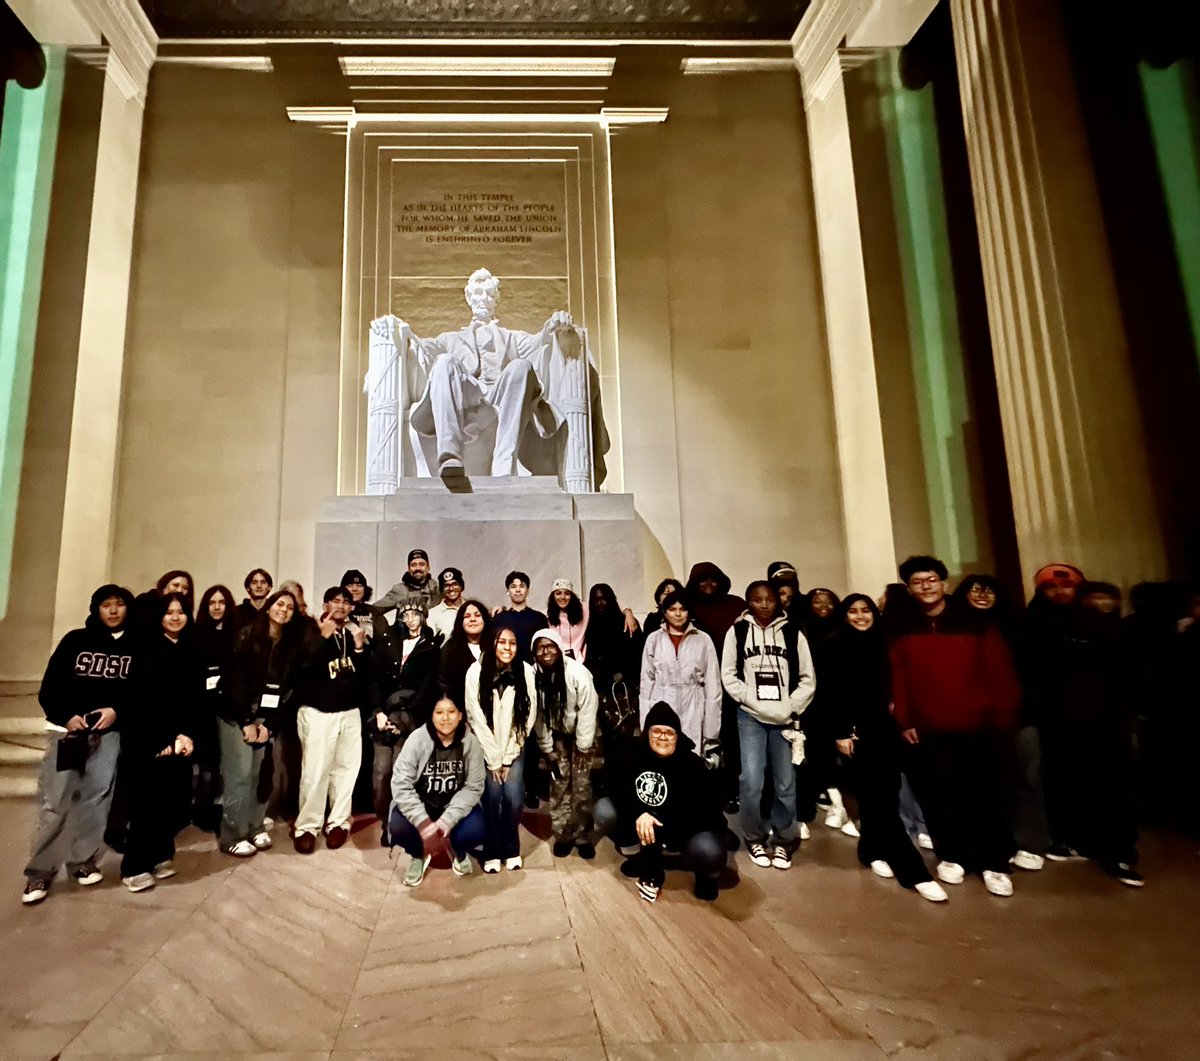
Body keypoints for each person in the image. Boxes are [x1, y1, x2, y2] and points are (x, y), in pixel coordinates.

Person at [394, 267, 607, 480]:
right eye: (478, 293)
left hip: (505, 396)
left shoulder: (513, 338)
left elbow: (540, 342)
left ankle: (505, 460)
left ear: (496, 300)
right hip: (468, 396)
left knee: (521, 366)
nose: (483, 299)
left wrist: (554, 325)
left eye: (489, 294)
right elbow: (422, 347)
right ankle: (450, 455)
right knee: (444, 361)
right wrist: (401, 332)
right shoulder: (450, 339)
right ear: (469, 299)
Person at [889, 555, 1022, 897]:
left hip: (981, 728)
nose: (926, 586)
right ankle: (953, 855)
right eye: (918, 582)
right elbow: (899, 678)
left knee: (987, 797)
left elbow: (1001, 675)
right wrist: (904, 719)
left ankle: (994, 863)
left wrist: (1002, 720)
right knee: (940, 795)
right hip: (931, 729)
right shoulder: (904, 627)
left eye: (931, 579)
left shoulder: (977, 624)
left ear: (944, 584)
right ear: (908, 588)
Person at [825, 594, 947, 902]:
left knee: (885, 793)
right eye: (852, 611)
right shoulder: (835, 645)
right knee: (877, 798)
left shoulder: (887, 642)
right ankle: (914, 871)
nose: (860, 616)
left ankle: (870, 851)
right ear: (844, 616)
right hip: (856, 733)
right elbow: (831, 693)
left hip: (887, 729)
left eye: (865, 610)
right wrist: (840, 732)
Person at [22, 585, 138, 905]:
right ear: (96, 609)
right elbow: (50, 687)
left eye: (119, 605)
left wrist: (117, 711)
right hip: (66, 733)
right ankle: (39, 873)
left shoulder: (137, 646)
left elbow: (139, 692)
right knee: (55, 804)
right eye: (106, 605)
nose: (113, 611)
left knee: (97, 799)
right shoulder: (76, 640)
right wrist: (66, 716)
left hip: (109, 735)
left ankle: (82, 861)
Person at [1036, 581, 1143, 885]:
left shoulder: (1125, 634)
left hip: (1111, 724)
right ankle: (1077, 841)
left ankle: (1119, 853)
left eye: (1108, 598)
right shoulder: (1060, 631)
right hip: (1067, 723)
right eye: (1094, 598)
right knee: (1070, 785)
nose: (1101, 603)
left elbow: (1135, 679)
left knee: (1115, 790)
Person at [956, 573, 1048, 873]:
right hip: (971, 719)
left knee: (1026, 778)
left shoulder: (1018, 627)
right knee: (979, 783)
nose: (982, 596)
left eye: (989, 591)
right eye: (975, 590)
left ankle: (1029, 841)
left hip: (1020, 715)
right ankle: (988, 840)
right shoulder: (953, 626)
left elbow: (1035, 671)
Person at [722, 580, 815, 872]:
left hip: (785, 718)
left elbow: (807, 677)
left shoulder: (792, 632)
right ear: (749, 601)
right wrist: (749, 699)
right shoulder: (737, 631)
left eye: (769, 599)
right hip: (750, 716)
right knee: (751, 781)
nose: (763, 604)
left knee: (786, 783)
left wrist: (791, 706)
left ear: (778, 601)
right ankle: (754, 837)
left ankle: (784, 840)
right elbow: (728, 674)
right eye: (757, 599)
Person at [595, 702, 727, 903]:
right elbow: (615, 786)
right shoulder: (632, 755)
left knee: (709, 850)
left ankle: (705, 875)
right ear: (647, 733)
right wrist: (639, 813)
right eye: (656, 731)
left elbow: (706, 811)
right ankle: (642, 855)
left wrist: (658, 821)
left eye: (669, 732)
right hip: (646, 824)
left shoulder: (692, 765)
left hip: (686, 829)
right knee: (604, 810)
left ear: (677, 736)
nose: (662, 737)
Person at [119, 593, 197, 893]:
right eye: (169, 612)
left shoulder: (189, 648)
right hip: (149, 740)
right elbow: (142, 702)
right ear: (159, 616)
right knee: (146, 805)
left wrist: (187, 734)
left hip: (181, 740)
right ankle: (135, 866)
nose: (175, 617)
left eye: (180, 612)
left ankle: (161, 855)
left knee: (170, 802)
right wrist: (163, 740)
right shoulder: (145, 649)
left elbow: (194, 699)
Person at [223, 590, 304, 856]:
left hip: (265, 716)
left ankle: (255, 827)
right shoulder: (245, 636)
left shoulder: (289, 644)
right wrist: (246, 721)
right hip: (237, 714)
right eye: (279, 604)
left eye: (290, 607)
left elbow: (289, 690)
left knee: (259, 774)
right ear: (268, 607)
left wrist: (269, 724)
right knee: (240, 774)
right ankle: (233, 835)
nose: (284, 610)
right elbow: (234, 682)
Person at [291, 587, 367, 854]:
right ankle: (307, 826)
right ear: (325, 604)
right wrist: (321, 640)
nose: (341, 606)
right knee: (315, 770)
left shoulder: (351, 634)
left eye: (346, 602)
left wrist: (359, 648)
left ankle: (337, 822)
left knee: (346, 770)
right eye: (335, 601)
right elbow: (299, 669)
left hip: (348, 712)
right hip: (318, 711)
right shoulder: (309, 631)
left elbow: (363, 676)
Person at [389, 697, 487, 886]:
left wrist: (447, 820)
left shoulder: (470, 742)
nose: (445, 718)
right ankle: (418, 855)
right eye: (439, 712)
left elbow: (474, 786)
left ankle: (458, 850)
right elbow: (401, 784)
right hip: (423, 803)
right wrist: (423, 823)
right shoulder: (417, 739)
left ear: (460, 716)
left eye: (451, 712)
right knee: (398, 826)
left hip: (452, 805)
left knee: (476, 828)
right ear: (431, 716)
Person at [464, 627, 538, 872]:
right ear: (492, 644)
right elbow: (475, 717)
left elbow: (528, 716)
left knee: (514, 797)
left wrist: (508, 757)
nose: (507, 647)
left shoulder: (525, 670)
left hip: (513, 746)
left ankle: (511, 845)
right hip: (486, 747)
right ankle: (493, 848)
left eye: (513, 643)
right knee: (492, 796)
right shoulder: (476, 671)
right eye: (502, 642)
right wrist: (494, 759)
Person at [369, 596, 441, 828]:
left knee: (403, 771)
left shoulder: (431, 647)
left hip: (411, 717)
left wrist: (407, 719)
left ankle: (398, 819)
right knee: (381, 771)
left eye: (415, 614)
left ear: (423, 616)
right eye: (406, 615)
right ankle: (383, 818)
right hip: (384, 716)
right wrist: (379, 712)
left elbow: (428, 688)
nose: (410, 620)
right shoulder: (388, 641)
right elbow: (375, 680)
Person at [531, 628, 599, 858]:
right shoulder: (535, 676)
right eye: (540, 647)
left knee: (581, 786)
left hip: (583, 733)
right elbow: (537, 715)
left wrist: (583, 745)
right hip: (557, 734)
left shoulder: (577, 673)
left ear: (559, 648)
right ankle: (564, 834)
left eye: (550, 646)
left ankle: (582, 835)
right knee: (559, 785)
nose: (545, 652)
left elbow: (588, 709)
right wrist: (547, 747)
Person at [685, 562, 746, 809]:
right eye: (703, 580)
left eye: (713, 579)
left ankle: (732, 790)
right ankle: (704, 792)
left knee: (731, 738)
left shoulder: (736, 605)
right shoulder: (687, 607)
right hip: (698, 685)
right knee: (701, 739)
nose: (708, 584)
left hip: (733, 683)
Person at [639, 589, 721, 757]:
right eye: (672, 609)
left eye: (682, 609)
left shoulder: (703, 640)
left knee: (690, 760)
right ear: (664, 612)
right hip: (661, 704)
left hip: (693, 707)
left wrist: (711, 733)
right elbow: (646, 683)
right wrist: (645, 723)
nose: (678, 614)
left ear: (689, 612)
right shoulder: (654, 639)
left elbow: (713, 686)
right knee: (661, 757)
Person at [191, 584, 238, 832]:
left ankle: (222, 808)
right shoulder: (196, 634)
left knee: (225, 761)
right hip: (203, 707)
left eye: (221, 602)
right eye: (212, 602)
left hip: (229, 706)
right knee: (206, 763)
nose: (217, 607)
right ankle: (202, 810)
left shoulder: (237, 634)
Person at [439, 600, 493, 710]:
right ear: (461, 622)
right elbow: (444, 686)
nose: (472, 619)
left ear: (485, 620)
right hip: (460, 710)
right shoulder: (449, 650)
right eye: (467, 616)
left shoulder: (495, 646)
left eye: (477, 615)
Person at [493, 570, 548, 664]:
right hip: (506, 669)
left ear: (528, 590)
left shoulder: (539, 618)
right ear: (507, 591)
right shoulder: (499, 619)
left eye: (522, 586)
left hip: (533, 670)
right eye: (513, 587)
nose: (518, 590)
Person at [376, 548, 440, 614]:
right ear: (408, 568)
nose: (418, 568)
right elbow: (374, 610)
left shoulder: (438, 589)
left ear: (428, 567)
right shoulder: (400, 589)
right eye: (413, 565)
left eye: (421, 564)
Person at [547, 579, 588, 661]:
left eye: (567, 593)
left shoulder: (584, 610)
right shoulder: (545, 615)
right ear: (553, 596)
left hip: (579, 664)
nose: (563, 597)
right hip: (555, 663)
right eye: (558, 593)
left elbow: (614, 603)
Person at [427, 567, 466, 643]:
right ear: (442, 589)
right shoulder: (433, 614)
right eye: (446, 585)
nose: (451, 588)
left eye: (455, 584)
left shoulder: (471, 608)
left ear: (461, 586)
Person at [340, 568, 375, 640]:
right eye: (349, 585)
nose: (354, 589)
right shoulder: (337, 613)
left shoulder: (375, 613)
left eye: (359, 585)